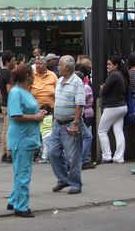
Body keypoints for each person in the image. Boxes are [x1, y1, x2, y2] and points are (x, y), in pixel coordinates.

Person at [6, 63, 46, 218]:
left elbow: (26, 111)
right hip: (21, 138)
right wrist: (36, 117)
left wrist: (38, 113)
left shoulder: (24, 91)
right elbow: (16, 115)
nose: (35, 77)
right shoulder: (16, 93)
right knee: (23, 173)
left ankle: (14, 200)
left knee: (21, 171)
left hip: (27, 137)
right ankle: (21, 206)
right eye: (33, 74)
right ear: (27, 76)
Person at [48, 55, 88, 195]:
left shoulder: (77, 82)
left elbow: (79, 104)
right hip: (58, 123)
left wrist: (76, 123)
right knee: (52, 153)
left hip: (70, 123)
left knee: (73, 156)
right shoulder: (59, 81)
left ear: (67, 67)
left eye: (60, 65)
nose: (58, 67)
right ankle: (63, 179)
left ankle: (75, 183)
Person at [98, 55, 129, 164]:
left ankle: (107, 156)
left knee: (101, 131)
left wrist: (102, 88)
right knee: (118, 131)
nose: (107, 66)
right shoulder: (122, 75)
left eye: (109, 64)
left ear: (116, 65)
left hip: (112, 107)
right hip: (122, 106)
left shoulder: (113, 75)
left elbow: (104, 92)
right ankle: (119, 157)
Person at [0, 51, 16, 163]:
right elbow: (10, 90)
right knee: (10, 129)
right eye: (13, 60)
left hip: (4, 103)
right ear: (7, 62)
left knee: (5, 129)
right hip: (9, 104)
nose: (14, 62)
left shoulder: (1, 72)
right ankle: (9, 153)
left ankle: (4, 153)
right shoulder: (8, 73)